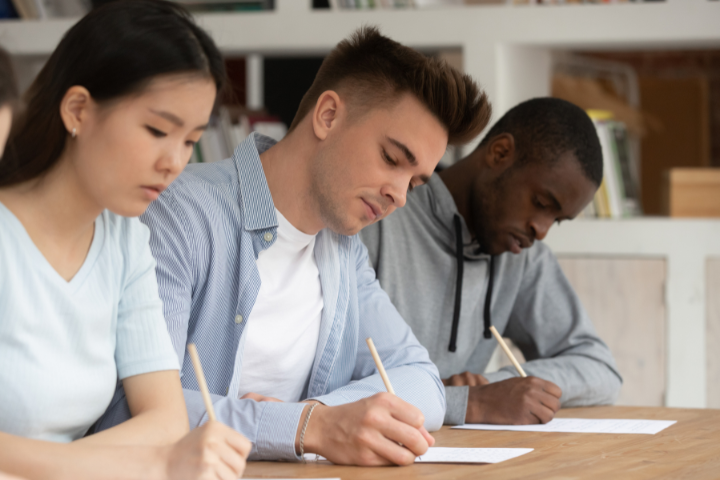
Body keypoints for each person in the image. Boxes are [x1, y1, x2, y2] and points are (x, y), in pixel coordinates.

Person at [96, 26, 491, 466]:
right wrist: (308, 430)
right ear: (327, 116)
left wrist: (317, 417)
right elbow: (132, 411)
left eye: (415, 182)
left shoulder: (343, 251)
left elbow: (423, 381)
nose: (399, 194)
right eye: (392, 159)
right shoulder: (178, 213)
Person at [0, 1, 250, 479]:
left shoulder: (125, 241)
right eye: (158, 130)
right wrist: (150, 463)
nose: (174, 162)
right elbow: (159, 446)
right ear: (78, 110)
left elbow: (165, 420)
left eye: (190, 139)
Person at [361, 97, 623, 426]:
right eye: (541, 202)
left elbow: (600, 370)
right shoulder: (377, 220)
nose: (541, 230)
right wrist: (459, 401)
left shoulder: (521, 256)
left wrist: (497, 387)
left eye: (557, 220)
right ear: (500, 153)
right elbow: (325, 383)